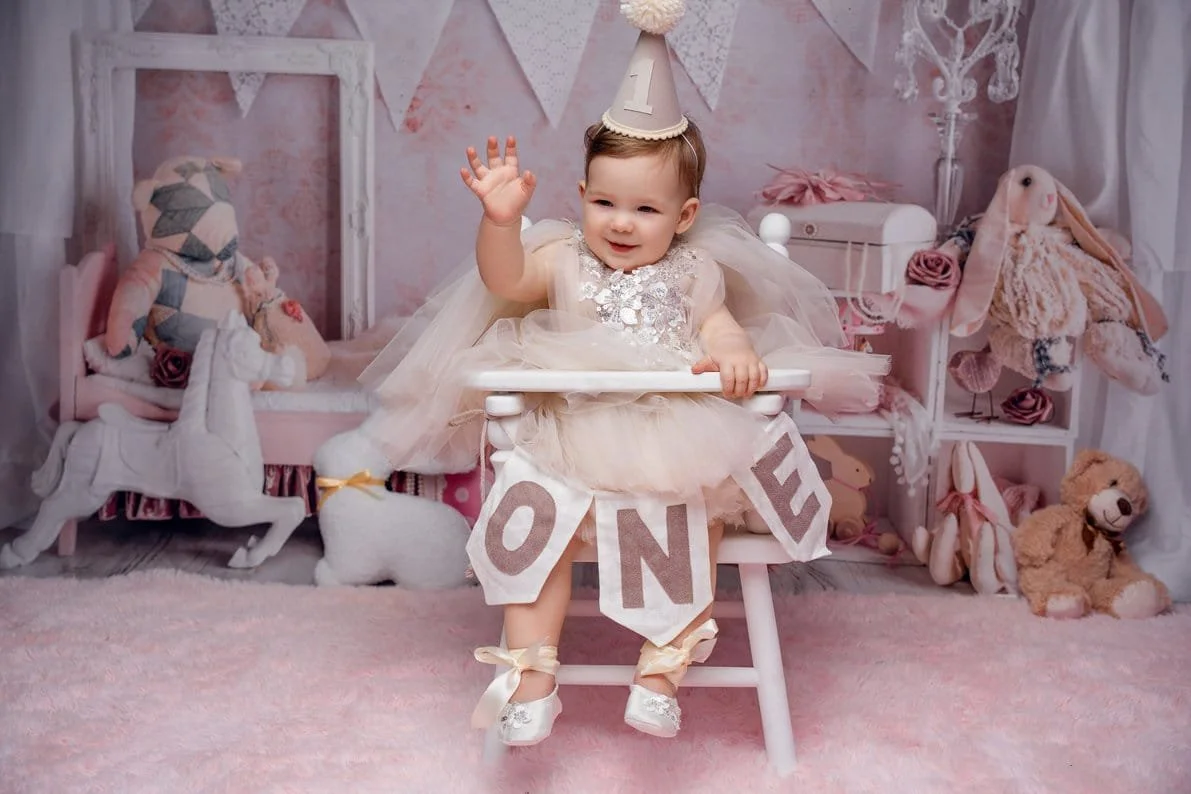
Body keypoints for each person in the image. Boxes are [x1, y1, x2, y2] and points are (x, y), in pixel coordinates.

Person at [358, 1, 889, 747]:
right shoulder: (561, 257)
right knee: (536, 527)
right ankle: (531, 675)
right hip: (569, 430)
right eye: (604, 201)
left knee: (690, 511)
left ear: (683, 214)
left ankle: (662, 668)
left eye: (644, 208)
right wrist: (500, 222)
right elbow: (505, 281)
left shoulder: (697, 269)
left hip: (669, 431)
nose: (620, 221)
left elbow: (720, 326)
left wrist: (735, 352)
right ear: (579, 199)